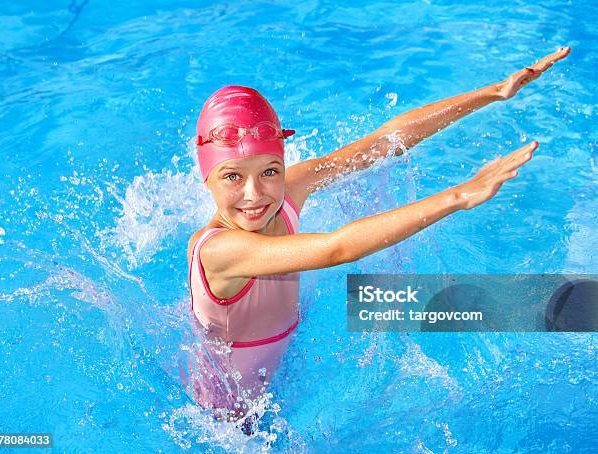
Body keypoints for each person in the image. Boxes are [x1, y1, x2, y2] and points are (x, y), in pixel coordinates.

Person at [182, 47, 571, 427]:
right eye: (232, 176)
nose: (255, 194)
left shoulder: (287, 194)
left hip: (279, 371)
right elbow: (339, 247)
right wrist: (457, 196)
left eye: (270, 171)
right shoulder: (220, 250)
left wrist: (494, 91)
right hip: (226, 419)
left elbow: (383, 144)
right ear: (206, 179)